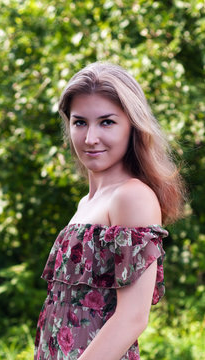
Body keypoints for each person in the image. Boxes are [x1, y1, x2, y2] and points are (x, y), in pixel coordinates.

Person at [34, 62, 185, 360]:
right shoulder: (87, 203)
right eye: (80, 122)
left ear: (133, 126)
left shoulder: (132, 197)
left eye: (106, 122)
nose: (90, 138)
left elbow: (132, 318)